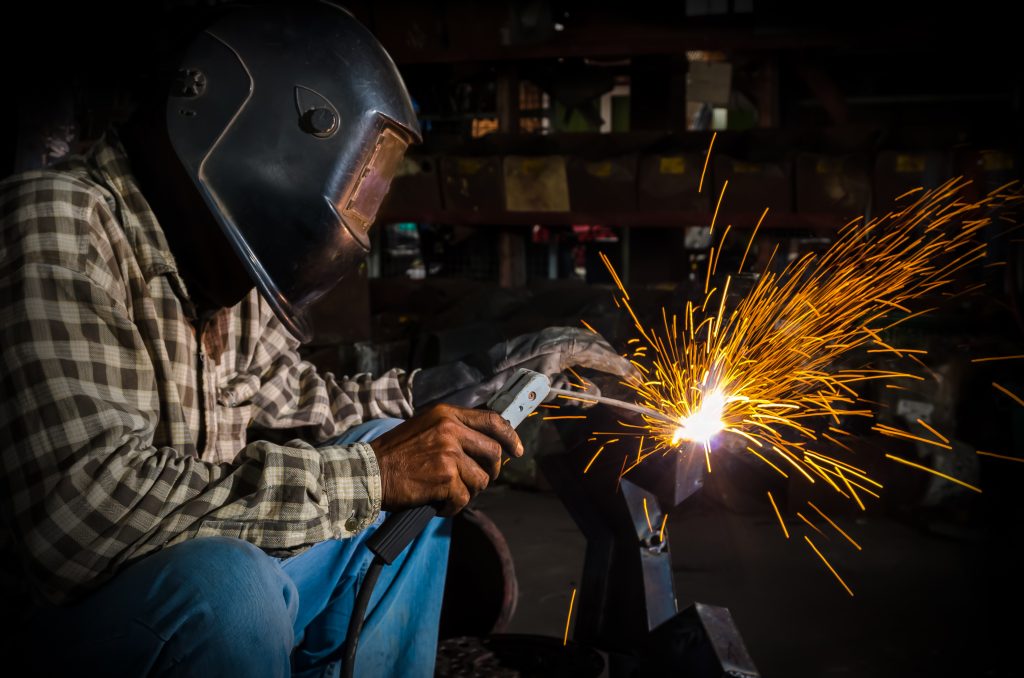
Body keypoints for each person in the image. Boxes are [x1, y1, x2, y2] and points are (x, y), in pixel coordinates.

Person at [0, 3, 632, 676]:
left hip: (182, 582)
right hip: (72, 620)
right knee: (229, 586)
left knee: (414, 488)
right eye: (359, 177)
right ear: (267, 127)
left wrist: (484, 384)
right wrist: (371, 474)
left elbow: (315, 403)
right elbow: (80, 517)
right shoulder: (59, 220)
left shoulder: (218, 270)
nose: (359, 211)